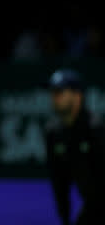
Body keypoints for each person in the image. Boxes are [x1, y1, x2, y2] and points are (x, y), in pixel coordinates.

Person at [45, 69, 105, 225]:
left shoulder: (96, 129)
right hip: (92, 207)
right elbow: (59, 182)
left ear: (77, 96)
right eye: (52, 92)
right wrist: (65, 219)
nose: (54, 97)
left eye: (59, 92)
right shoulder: (53, 132)